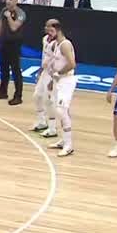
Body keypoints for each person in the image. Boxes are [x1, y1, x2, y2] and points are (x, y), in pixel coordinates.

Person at [43, 20, 78, 157]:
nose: (49, 33)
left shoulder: (65, 45)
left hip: (66, 80)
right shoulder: (56, 44)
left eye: (51, 31)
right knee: (58, 110)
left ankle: (69, 145)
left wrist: (58, 73)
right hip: (58, 81)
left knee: (61, 110)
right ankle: (64, 140)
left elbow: (72, 63)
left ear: (58, 30)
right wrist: (53, 80)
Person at [0, 0, 26, 105]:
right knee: (4, 68)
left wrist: (9, 17)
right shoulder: (3, 11)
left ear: (16, 1)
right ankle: (2, 92)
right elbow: (0, 25)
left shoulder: (20, 13)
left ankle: (18, 96)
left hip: (14, 44)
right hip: (4, 42)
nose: (8, 1)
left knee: (16, 70)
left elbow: (14, 27)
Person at [31, 27, 60, 137]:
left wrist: (54, 76)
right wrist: (40, 71)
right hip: (45, 71)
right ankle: (41, 122)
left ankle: (52, 128)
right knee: (37, 96)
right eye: (48, 29)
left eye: (52, 30)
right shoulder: (45, 39)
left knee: (49, 100)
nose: (49, 32)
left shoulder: (59, 44)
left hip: (53, 73)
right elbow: (45, 58)